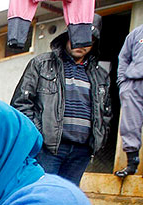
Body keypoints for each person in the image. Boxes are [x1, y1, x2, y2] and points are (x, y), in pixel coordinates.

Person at [11, 14, 112, 186]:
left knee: (66, 199)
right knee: (41, 194)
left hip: (81, 152)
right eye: (76, 36)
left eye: (87, 39)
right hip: (48, 150)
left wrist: (96, 141)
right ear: (67, 35)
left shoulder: (101, 76)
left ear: (94, 43)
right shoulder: (41, 64)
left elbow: (106, 113)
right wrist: (40, 135)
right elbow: (21, 104)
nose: (80, 43)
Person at [114, 24, 143, 177]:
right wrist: (123, 83)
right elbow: (124, 57)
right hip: (133, 83)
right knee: (130, 124)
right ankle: (132, 163)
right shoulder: (137, 33)